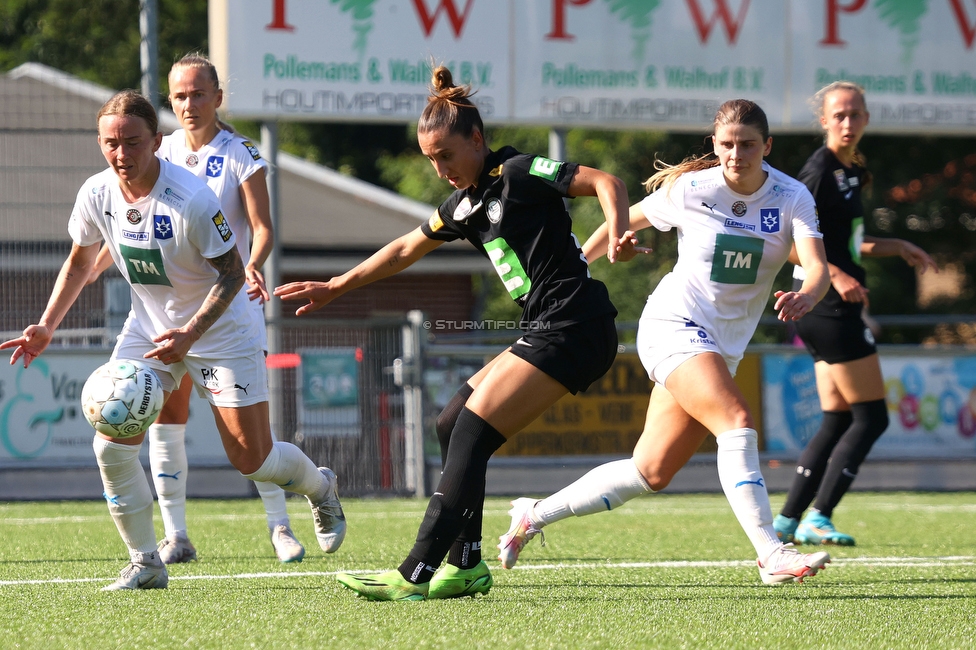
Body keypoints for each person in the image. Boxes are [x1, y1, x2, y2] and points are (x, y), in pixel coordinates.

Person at [274, 65, 630, 600]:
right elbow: (403, 249)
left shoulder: (520, 171)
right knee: (450, 420)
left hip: (576, 324)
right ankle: (465, 563)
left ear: (477, 140)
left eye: (446, 155)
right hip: (550, 325)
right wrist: (337, 285)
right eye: (430, 159)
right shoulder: (463, 204)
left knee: (471, 432)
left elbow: (607, 182)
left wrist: (619, 232)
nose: (440, 169)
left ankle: (416, 570)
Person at [1, 90, 346, 591]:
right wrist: (46, 325)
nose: (122, 154)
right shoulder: (96, 193)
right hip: (148, 328)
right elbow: (80, 262)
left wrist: (189, 335)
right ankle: (146, 562)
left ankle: (321, 486)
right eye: (111, 143)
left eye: (133, 142)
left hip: (222, 328)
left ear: (157, 141)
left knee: (252, 459)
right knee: (111, 446)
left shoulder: (194, 200)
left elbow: (230, 278)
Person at [498, 99, 835, 586]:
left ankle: (533, 515)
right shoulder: (693, 189)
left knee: (650, 472)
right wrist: (588, 264)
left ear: (768, 146)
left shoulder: (792, 196)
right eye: (726, 145)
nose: (736, 154)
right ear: (714, 145)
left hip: (722, 346)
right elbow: (621, 223)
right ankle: (771, 553)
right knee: (736, 422)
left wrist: (807, 294)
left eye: (747, 145)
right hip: (673, 323)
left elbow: (818, 267)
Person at [88, 54, 306, 564]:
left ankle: (279, 523)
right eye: (180, 96)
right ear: (170, 101)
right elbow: (128, 224)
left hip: (224, 304)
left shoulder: (239, 153)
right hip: (164, 310)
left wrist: (252, 264)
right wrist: (94, 265)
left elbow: (263, 226)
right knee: (164, 413)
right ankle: (176, 534)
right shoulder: (152, 151)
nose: (189, 104)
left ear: (217, 98)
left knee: (248, 440)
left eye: (199, 94)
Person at [773, 82, 937, 546]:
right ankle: (818, 515)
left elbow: (849, 240)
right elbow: (786, 241)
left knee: (839, 418)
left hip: (824, 309)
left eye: (855, 114)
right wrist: (836, 276)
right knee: (872, 418)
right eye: (838, 115)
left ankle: (787, 522)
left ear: (866, 118)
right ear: (823, 120)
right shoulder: (820, 170)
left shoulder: (850, 170)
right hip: (826, 306)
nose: (848, 123)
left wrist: (897, 245)